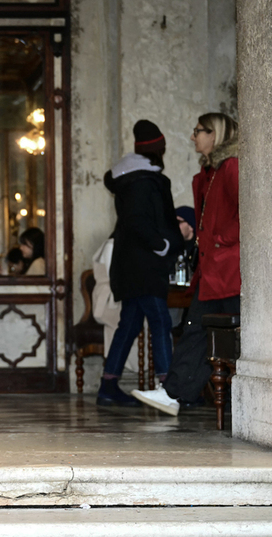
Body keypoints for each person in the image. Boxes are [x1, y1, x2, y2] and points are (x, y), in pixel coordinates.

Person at [133, 113, 240, 415]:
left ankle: (176, 394)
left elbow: (249, 211)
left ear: (215, 134)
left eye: (198, 131)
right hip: (212, 271)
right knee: (199, 331)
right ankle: (176, 394)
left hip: (228, 271)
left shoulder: (231, 168)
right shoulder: (208, 174)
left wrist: (220, 239)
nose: (193, 137)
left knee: (205, 332)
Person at [96, 120, 183, 407]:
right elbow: (140, 221)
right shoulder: (146, 180)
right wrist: (164, 245)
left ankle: (108, 385)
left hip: (128, 263)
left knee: (130, 324)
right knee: (159, 320)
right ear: (159, 150)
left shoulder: (129, 179)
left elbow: (132, 221)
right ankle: (167, 388)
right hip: (146, 264)